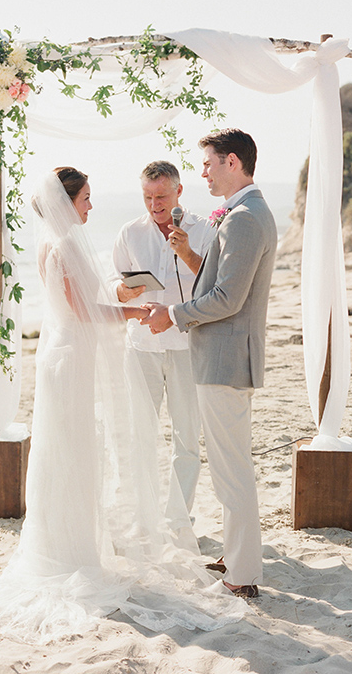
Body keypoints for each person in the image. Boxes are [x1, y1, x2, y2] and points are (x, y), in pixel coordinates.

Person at [0, 167, 247, 642]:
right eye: (87, 199)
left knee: (71, 456)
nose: (92, 207)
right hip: (71, 359)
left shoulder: (56, 242)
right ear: (66, 202)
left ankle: (72, 548)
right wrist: (136, 311)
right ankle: (70, 555)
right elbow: (88, 313)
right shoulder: (63, 246)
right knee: (71, 455)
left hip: (65, 355)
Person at [142, 130, 277, 599]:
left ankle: (242, 575)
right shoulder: (244, 212)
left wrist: (174, 315)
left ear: (232, 162)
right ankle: (235, 556)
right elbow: (219, 281)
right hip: (220, 355)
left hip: (225, 356)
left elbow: (228, 297)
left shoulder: (244, 218)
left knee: (231, 468)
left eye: (207, 163)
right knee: (226, 465)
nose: (201, 172)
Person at [110, 161, 215, 517]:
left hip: (187, 346)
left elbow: (218, 284)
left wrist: (186, 252)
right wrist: (125, 290)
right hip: (141, 347)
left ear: (179, 192)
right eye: (147, 197)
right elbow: (114, 288)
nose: (154, 204)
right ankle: (144, 518)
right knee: (140, 435)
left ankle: (177, 520)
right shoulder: (130, 233)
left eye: (161, 196)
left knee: (186, 438)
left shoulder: (204, 229)